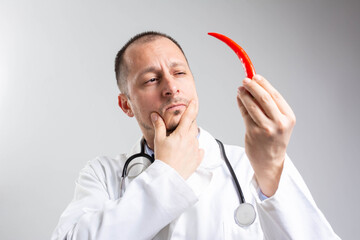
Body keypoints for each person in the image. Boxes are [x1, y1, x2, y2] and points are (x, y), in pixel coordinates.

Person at [51, 31, 340, 239]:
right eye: (151, 79)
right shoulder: (104, 175)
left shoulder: (253, 166)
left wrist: (273, 166)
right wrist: (166, 175)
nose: (171, 87)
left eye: (179, 73)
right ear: (126, 104)